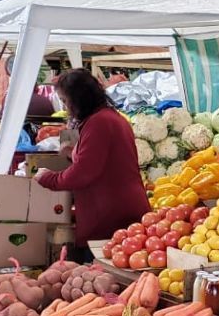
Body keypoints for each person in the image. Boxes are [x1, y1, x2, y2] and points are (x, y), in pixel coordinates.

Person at [33, 69, 149, 260]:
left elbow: (83, 173)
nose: (65, 106)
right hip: (116, 209)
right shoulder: (109, 118)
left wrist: (49, 179)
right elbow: (104, 160)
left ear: (78, 99)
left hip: (111, 215)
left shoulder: (99, 123)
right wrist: (73, 153)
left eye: (65, 100)